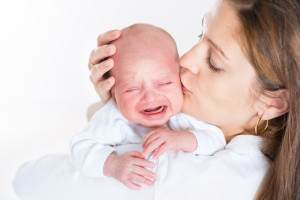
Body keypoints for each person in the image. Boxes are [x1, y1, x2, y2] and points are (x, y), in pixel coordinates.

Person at [13, 0, 300, 199]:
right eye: (200, 35)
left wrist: (114, 115)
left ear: (273, 102)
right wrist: (121, 105)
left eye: (213, 61)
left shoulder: (163, 172)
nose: (184, 59)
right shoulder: (260, 157)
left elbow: (28, 181)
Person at [71, 23, 225, 190]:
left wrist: (181, 139)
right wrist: (112, 165)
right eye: (132, 89)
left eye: (165, 83)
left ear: (180, 78)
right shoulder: (115, 118)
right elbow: (79, 147)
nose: (150, 97)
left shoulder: (184, 113)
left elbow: (217, 140)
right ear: (114, 93)